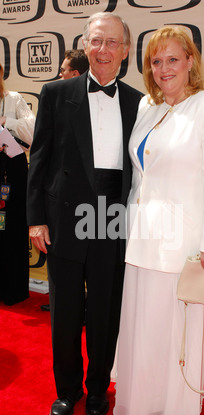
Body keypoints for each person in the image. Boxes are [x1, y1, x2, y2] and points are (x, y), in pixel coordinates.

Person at [113, 26, 204, 415]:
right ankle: (143, 400)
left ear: (190, 61)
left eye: (172, 59)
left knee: (176, 331)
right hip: (143, 239)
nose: (164, 68)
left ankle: (173, 409)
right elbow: (140, 177)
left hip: (183, 245)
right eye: (156, 61)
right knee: (144, 327)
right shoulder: (148, 108)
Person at [27, 12, 142, 415]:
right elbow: (38, 159)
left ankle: (97, 389)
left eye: (112, 42)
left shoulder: (138, 102)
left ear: (126, 51)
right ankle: (67, 390)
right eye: (96, 41)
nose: (103, 49)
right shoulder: (56, 93)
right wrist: (35, 218)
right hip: (65, 215)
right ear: (85, 44)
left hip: (113, 215)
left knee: (105, 312)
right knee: (66, 310)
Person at [41, 49, 89, 313]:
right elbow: (40, 158)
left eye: (63, 70)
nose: (59, 75)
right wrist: (36, 220)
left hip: (102, 214)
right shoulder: (52, 97)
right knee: (64, 295)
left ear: (75, 73)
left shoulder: (129, 101)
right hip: (62, 210)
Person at [0, 63, 35, 305]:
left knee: (11, 226)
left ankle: (13, 289)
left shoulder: (13, 99)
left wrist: (6, 122)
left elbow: (33, 131)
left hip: (12, 171)